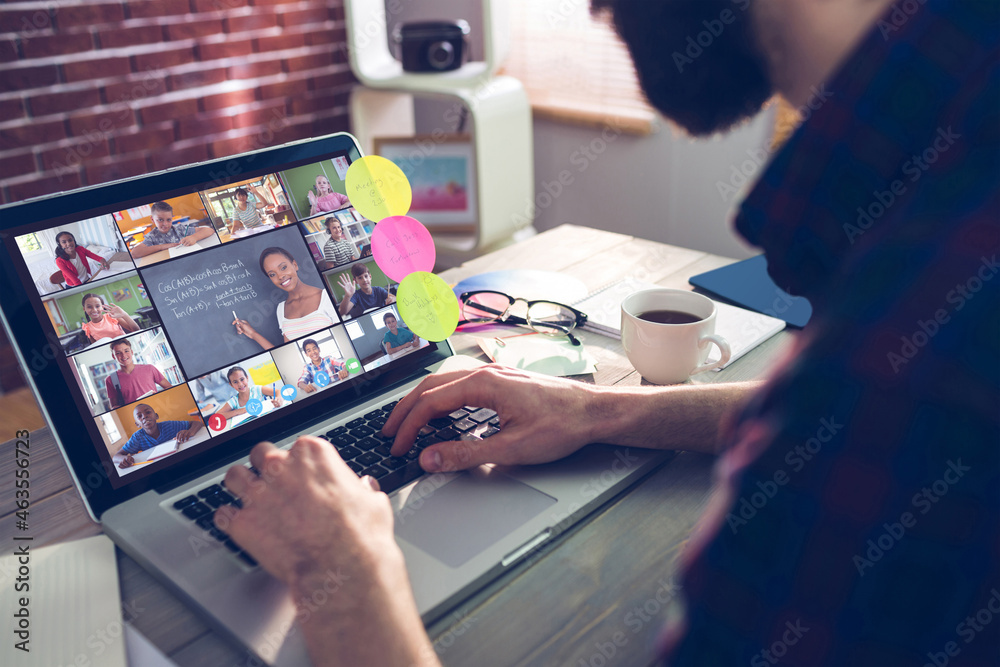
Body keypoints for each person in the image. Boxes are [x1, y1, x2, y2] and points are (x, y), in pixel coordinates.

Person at [213, 1, 999, 665]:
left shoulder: (908, 343)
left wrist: (339, 573)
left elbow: (865, 411)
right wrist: (604, 411)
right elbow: (835, 424)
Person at [233, 247, 340, 350]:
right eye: (272, 274)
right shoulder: (281, 309)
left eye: (283, 268)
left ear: (295, 265)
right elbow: (287, 352)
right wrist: (252, 334)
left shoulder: (325, 297)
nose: (280, 276)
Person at [116, 403, 203, 469]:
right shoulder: (137, 438)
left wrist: (191, 432)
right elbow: (116, 456)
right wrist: (124, 460)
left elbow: (197, 423)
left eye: (148, 412)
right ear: (137, 424)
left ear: (156, 416)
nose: (144, 416)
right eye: (139, 416)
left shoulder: (170, 425)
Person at [130, 201, 215, 259]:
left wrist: (194, 237)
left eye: (169, 220)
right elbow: (134, 253)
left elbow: (209, 230)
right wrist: (161, 247)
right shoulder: (152, 237)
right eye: (160, 220)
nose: (165, 224)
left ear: (172, 218)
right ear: (152, 219)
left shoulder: (179, 229)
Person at [105, 339, 172, 409]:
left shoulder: (150, 368)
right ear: (113, 356)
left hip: (158, 407)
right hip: (135, 415)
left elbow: (169, 387)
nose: (123, 355)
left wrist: (159, 395)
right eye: (118, 353)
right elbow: (114, 407)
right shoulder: (110, 379)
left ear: (131, 352)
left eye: (126, 351)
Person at [214, 366, 283, 421]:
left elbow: (278, 391)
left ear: (247, 378)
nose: (240, 384)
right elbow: (216, 417)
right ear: (231, 385)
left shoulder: (257, 389)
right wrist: (237, 411)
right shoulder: (234, 401)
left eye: (242, 379)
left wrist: (279, 398)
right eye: (235, 382)